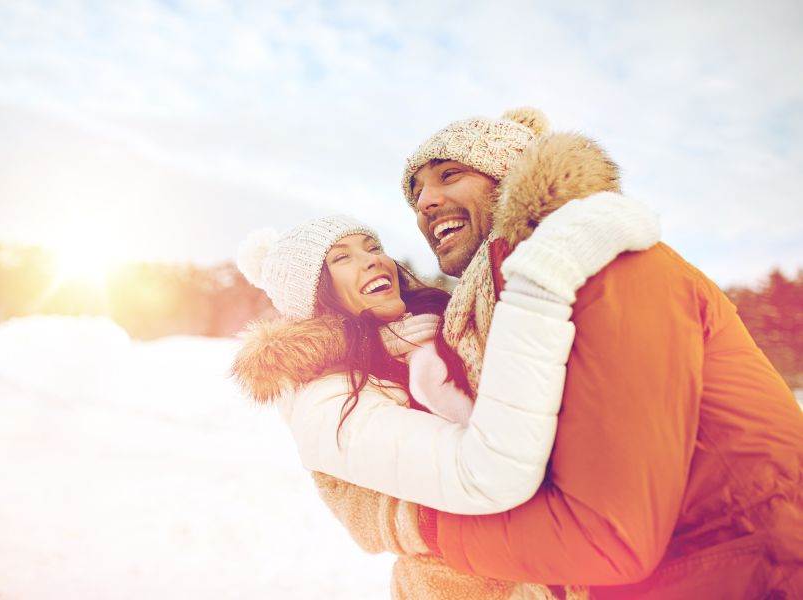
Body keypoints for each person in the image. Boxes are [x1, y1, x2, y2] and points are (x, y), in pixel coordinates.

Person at [334, 106, 800, 599]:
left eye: (449, 175)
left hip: (755, 573)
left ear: (508, 175)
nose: (426, 200)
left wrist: (415, 527)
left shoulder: (607, 268)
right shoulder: (502, 311)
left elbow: (608, 536)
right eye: (415, 193)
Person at [233, 196, 658, 597]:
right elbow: (485, 472)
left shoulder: (434, 336)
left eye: (372, 246)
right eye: (342, 258)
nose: (373, 259)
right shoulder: (325, 400)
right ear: (313, 295)